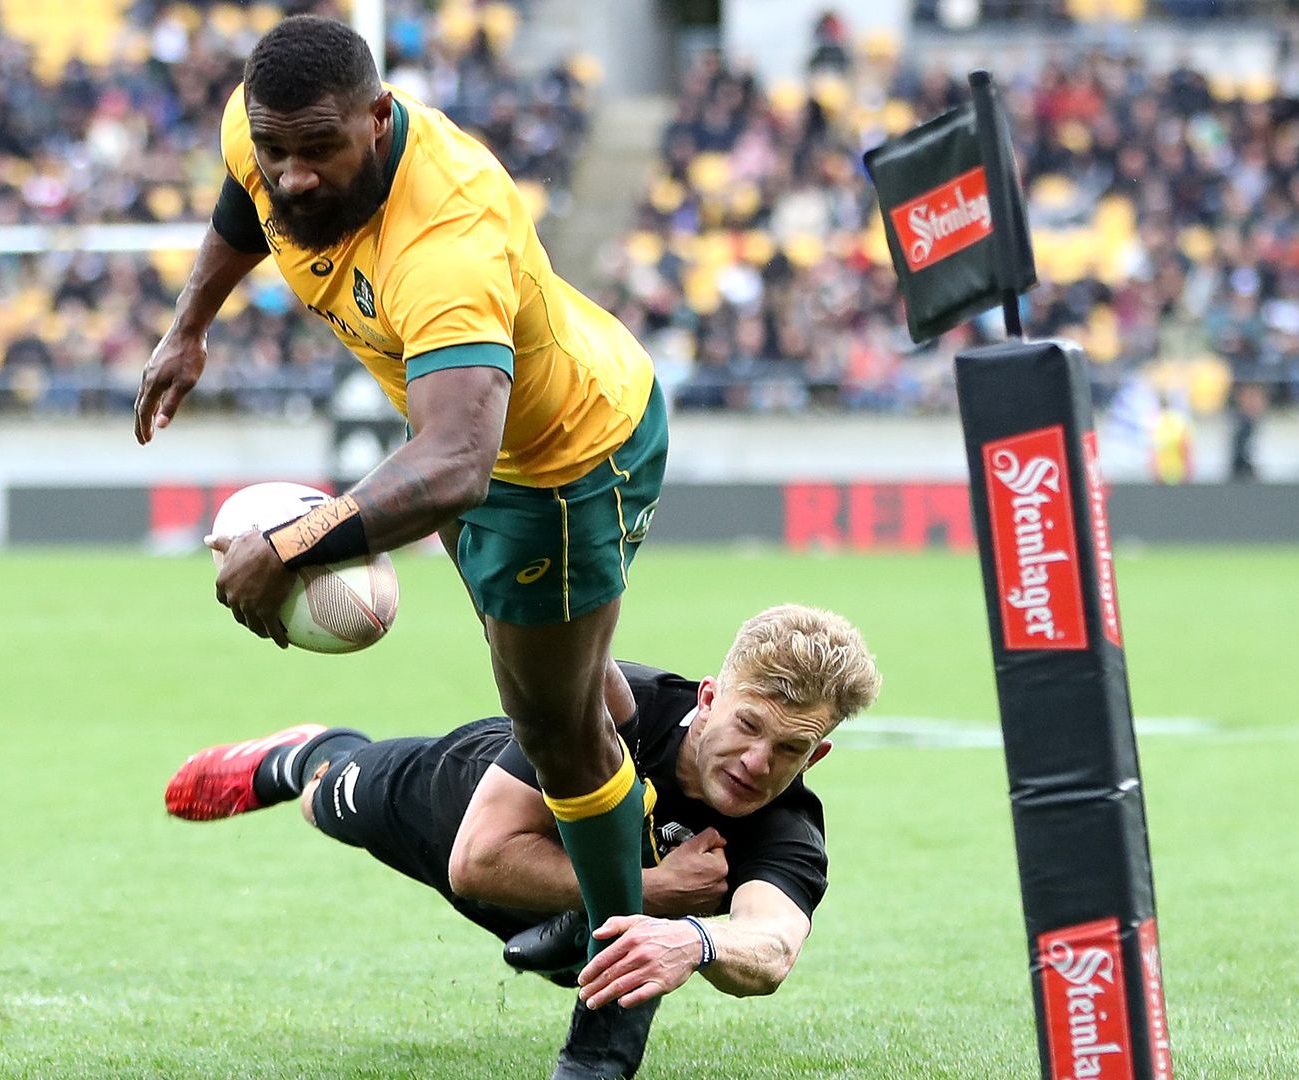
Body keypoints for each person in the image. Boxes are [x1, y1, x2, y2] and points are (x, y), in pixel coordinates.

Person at [135, 16, 668, 1077]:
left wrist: (293, 547)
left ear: (378, 120)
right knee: (562, 682)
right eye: (276, 149)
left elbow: (458, 467)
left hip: (559, 460)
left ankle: (617, 991)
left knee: (552, 727)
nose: (293, 176)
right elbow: (244, 199)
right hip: (467, 436)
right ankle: (633, 831)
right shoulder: (267, 128)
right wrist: (190, 323)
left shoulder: (447, 237)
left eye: (318, 150)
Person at [166, 605, 883, 1075]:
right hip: (465, 804)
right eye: (749, 726)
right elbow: (478, 862)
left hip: (568, 907)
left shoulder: (787, 825)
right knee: (326, 797)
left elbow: (771, 948)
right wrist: (661, 892)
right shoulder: (613, 706)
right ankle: (306, 752)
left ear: (816, 755)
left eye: (790, 749)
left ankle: (577, 954)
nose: (757, 763)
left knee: (614, 940)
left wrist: (694, 940)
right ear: (709, 698)